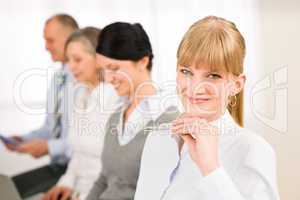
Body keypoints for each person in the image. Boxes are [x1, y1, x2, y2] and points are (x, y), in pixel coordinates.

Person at [135, 16, 280, 200]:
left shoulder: (254, 150)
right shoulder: (158, 139)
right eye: (186, 71)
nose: (195, 86)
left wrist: (211, 168)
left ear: (236, 84)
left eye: (212, 75)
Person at [86, 22, 179, 200]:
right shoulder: (115, 117)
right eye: (103, 70)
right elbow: (104, 179)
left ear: (143, 61)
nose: (107, 78)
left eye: (114, 68)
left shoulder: (169, 122)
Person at [4, 14, 79, 198]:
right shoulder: (58, 79)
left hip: (77, 168)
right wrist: (25, 139)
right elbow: (51, 127)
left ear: (70, 39)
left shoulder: (86, 81)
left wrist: (50, 147)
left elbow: (88, 141)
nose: (46, 46)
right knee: (6, 188)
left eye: (50, 40)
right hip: (57, 167)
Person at [42, 27, 120, 200]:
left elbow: (116, 170)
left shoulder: (114, 99)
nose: (71, 66)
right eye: (69, 60)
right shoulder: (81, 96)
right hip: (78, 192)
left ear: (99, 59)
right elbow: (78, 153)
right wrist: (65, 183)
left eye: (77, 59)